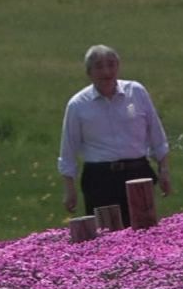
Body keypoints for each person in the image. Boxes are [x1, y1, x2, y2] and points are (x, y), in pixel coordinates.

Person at [58, 45, 173, 216]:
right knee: (107, 234)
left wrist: (163, 170)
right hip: (100, 179)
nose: (106, 72)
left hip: (137, 173)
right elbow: (68, 150)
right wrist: (70, 189)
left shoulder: (136, 92)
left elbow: (156, 135)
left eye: (111, 65)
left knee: (144, 230)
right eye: (99, 66)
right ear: (89, 72)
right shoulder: (78, 105)